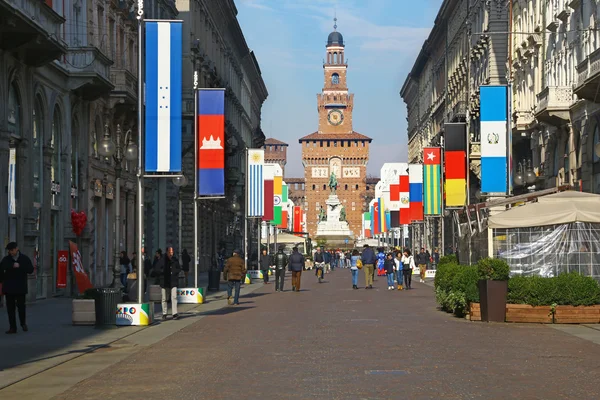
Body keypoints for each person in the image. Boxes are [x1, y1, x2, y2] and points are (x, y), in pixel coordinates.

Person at [0, 242, 34, 334]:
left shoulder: (24, 258)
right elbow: (1, 269)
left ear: (17, 249)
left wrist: (20, 266)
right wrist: (11, 266)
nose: (11, 252)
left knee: (21, 307)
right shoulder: (6, 259)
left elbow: (30, 270)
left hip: (20, 287)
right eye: (9, 251)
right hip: (9, 287)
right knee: (10, 309)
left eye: (12, 250)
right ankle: (12, 327)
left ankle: (23, 323)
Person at [152, 247, 181, 320]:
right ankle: (164, 313)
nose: (171, 253)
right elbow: (156, 269)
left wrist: (175, 272)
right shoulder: (162, 260)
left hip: (173, 280)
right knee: (164, 298)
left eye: (172, 252)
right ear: (167, 252)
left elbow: (179, 268)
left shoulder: (175, 259)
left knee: (174, 297)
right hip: (164, 281)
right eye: (170, 252)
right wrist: (162, 272)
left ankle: (175, 313)